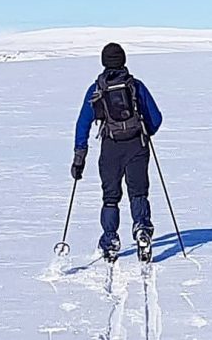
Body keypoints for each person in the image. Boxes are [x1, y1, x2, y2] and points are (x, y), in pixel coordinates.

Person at [71, 43, 163, 262]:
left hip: (110, 148)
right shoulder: (135, 86)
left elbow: (83, 123)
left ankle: (110, 240)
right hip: (137, 146)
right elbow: (156, 118)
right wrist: (145, 131)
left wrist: (79, 157)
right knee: (138, 192)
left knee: (111, 197)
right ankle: (142, 229)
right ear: (123, 60)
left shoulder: (97, 89)